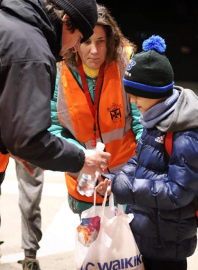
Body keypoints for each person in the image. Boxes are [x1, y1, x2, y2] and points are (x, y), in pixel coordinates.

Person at [0, 1, 111, 269]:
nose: (76, 48)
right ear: (67, 21)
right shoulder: (29, 49)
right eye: (79, 38)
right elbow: (28, 139)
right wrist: (82, 158)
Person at [110, 35, 198, 270]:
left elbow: (178, 192)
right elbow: (139, 160)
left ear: (156, 92)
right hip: (148, 233)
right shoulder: (155, 119)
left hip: (168, 245)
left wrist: (127, 188)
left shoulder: (184, 132)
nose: (132, 99)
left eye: (137, 93)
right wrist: (113, 180)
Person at [49, 3, 143, 214]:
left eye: (101, 41)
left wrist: (130, 173)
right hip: (84, 180)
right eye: (87, 42)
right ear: (75, 43)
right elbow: (53, 128)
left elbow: (142, 122)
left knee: (130, 244)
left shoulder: (125, 64)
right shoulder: (59, 72)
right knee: (90, 243)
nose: (94, 50)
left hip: (126, 179)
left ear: (110, 41)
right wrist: (83, 156)